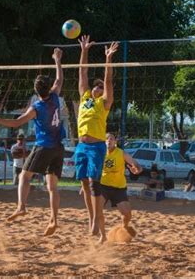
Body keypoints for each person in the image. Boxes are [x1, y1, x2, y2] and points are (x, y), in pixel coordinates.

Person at [0, 48, 64, 236]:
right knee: (52, 187)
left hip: (44, 146)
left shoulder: (36, 107)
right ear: (48, 88)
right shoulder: (55, 97)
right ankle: (54, 220)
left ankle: (21, 206)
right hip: (59, 147)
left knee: (24, 177)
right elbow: (59, 80)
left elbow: (16, 122)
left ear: (36, 92)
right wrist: (57, 60)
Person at [75, 35, 119, 242]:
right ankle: (94, 222)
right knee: (84, 184)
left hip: (96, 147)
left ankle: (95, 222)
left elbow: (108, 80)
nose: (97, 88)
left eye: (100, 88)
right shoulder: (85, 98)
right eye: (96, 86)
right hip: (81, 147)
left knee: (93, 184)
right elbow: (82, 72)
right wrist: (84, 50)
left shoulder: (104, 104)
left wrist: (108, 59)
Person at [100, 133, 142, 229]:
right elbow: (93, 170)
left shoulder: (121, 153)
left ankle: (124, 227)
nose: (109, 141)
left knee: (127, 215)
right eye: (106, 139)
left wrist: (137, 169)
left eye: (111, 139)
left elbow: (135, 164)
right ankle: (102, 235)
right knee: (97, 211)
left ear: (115, 141)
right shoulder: (100, 153)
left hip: (119, 188)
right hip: (103, 186)